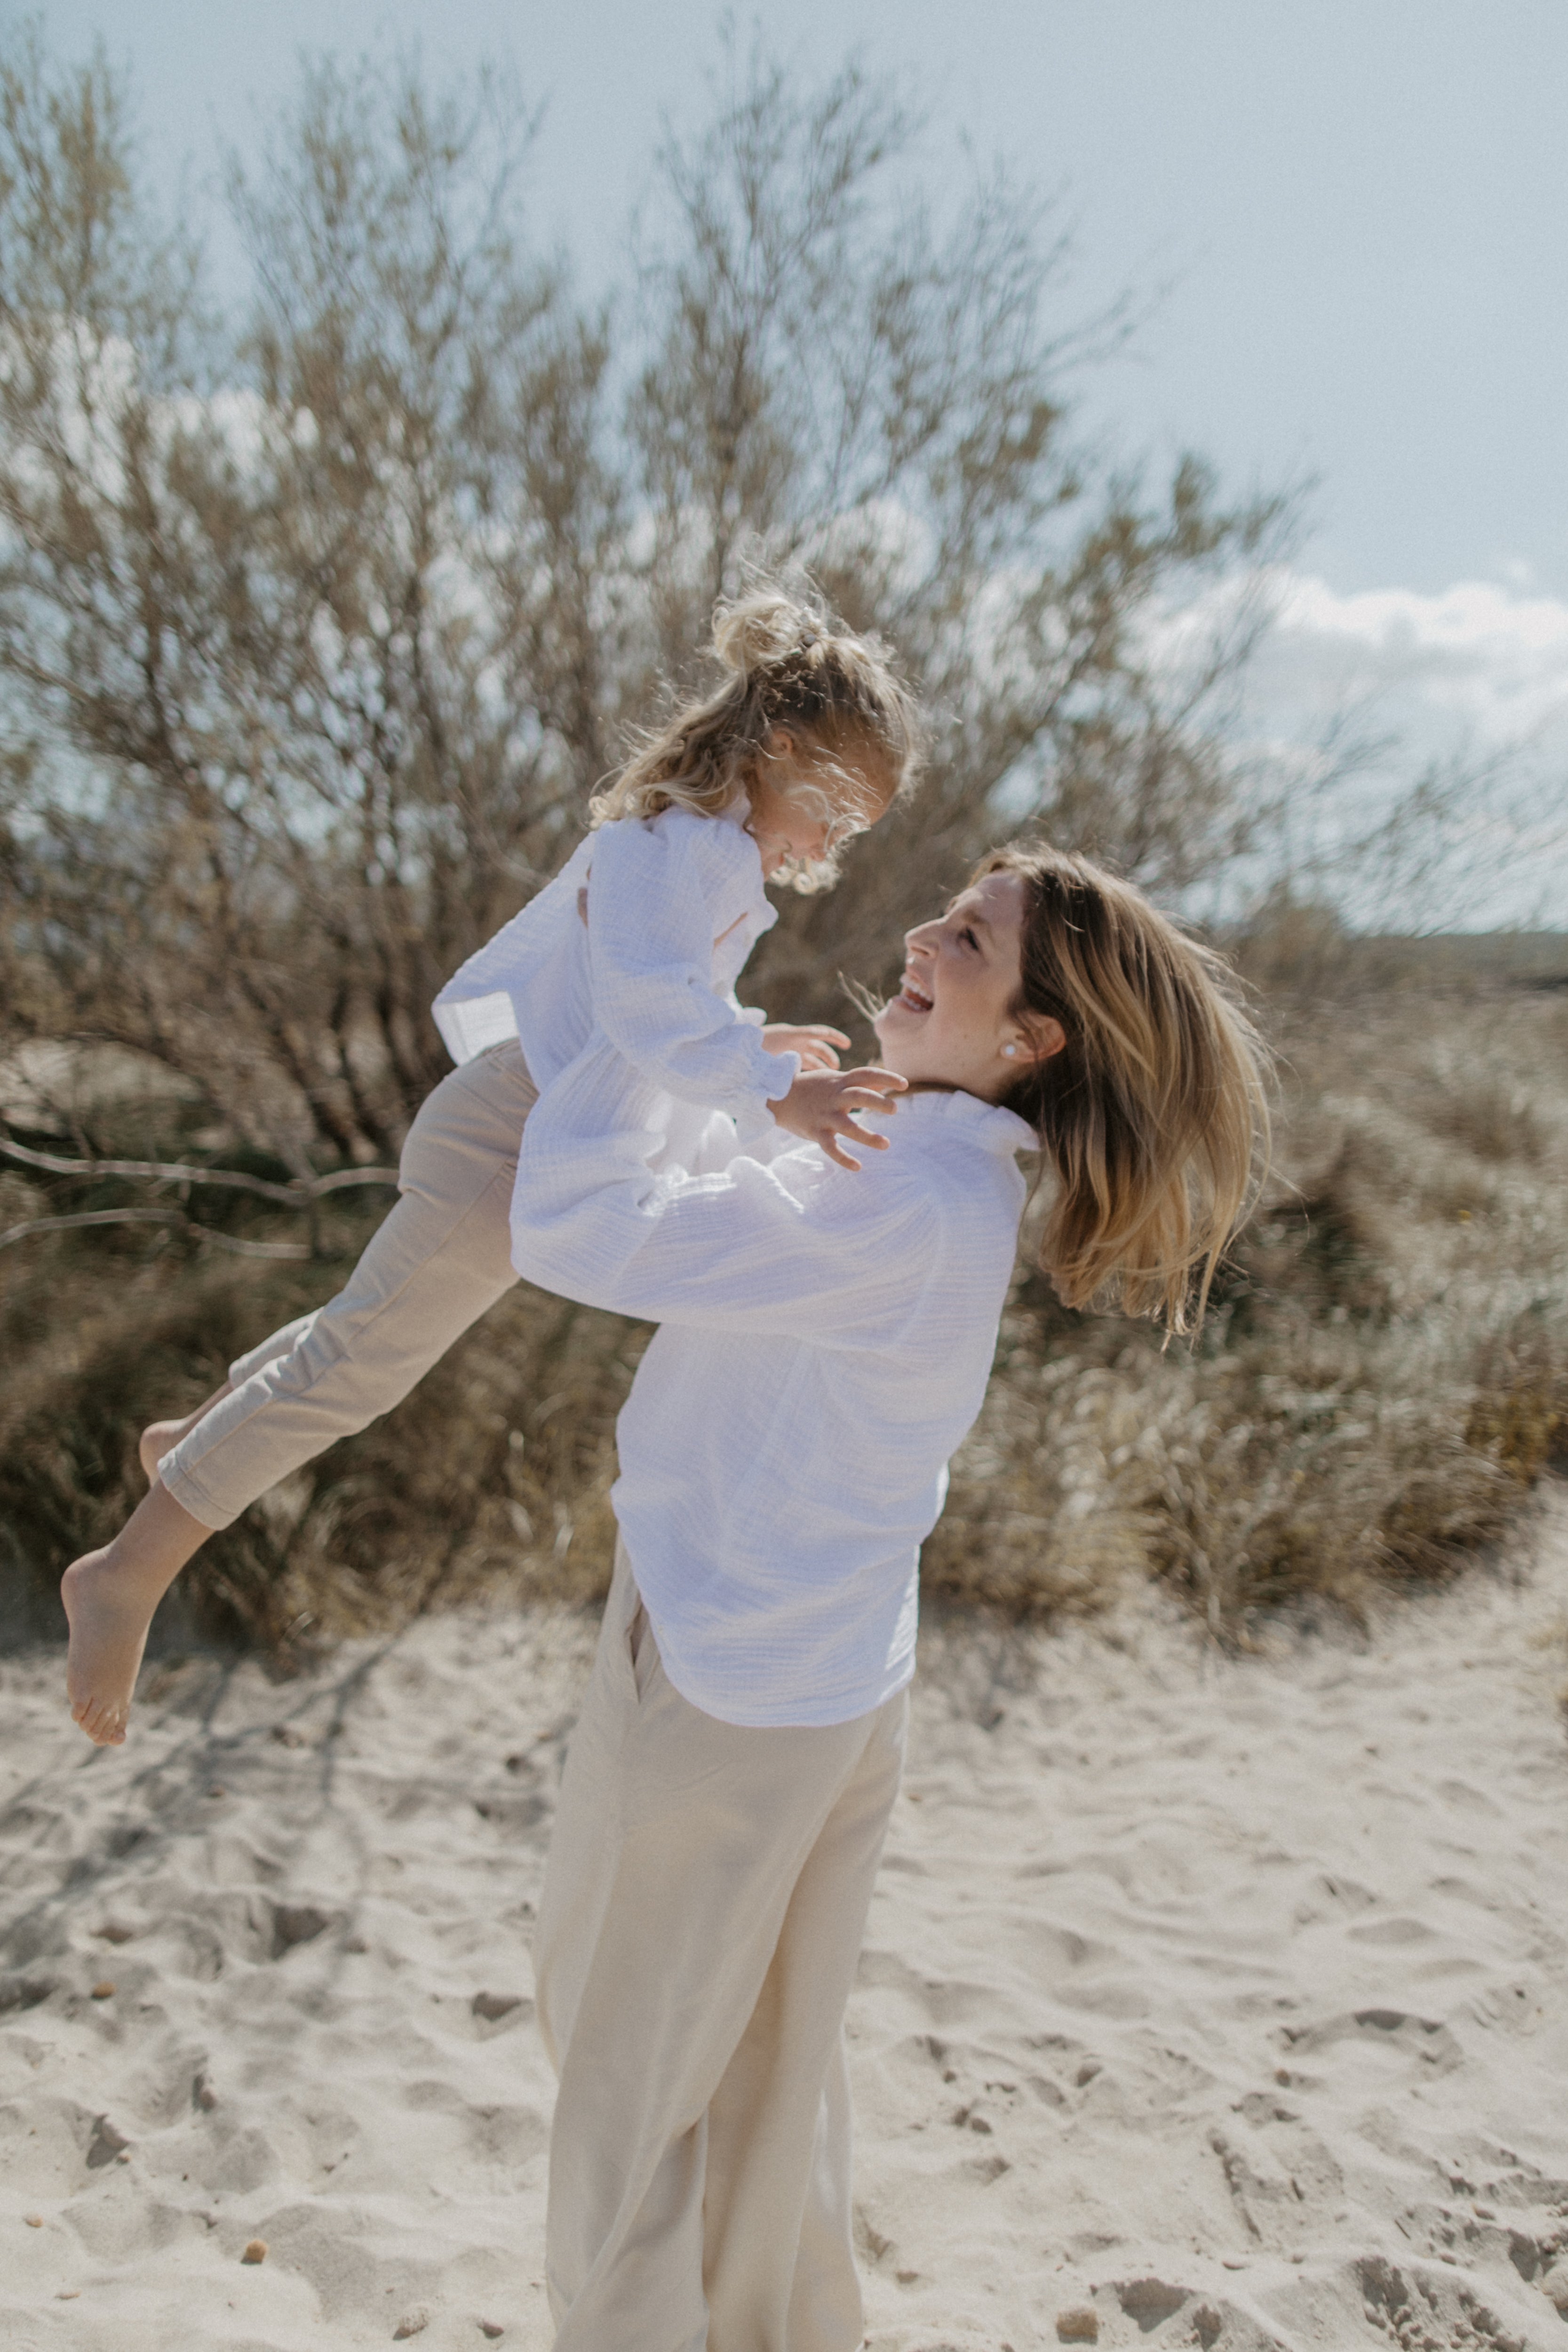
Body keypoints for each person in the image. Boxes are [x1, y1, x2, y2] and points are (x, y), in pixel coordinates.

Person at [504, 842, 1271, 2349]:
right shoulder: (915, 1160)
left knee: (627, 2088)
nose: (919, 934)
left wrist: (631, 1008)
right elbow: (707, 1189)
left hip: (731, 1681)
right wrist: (714, 1054)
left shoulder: (908, 1201)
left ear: (1030, 1040)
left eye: (968, 941)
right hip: (817, 1677)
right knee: (762, 2078)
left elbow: (578, 1231)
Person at [61, 589, 921, 1748]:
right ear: (776, 752)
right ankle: (124, 1570)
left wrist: (750, 1040)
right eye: (833, 813)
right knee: (359, 1364)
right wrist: (775, 1085)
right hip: (512, 1138)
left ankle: (194, 1439)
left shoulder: (703, 851)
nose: (828, 846)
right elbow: (642, 1007)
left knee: (356, 1332)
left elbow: (660, 1006)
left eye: (851, 834)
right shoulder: (674, 849)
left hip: (529, 1133)